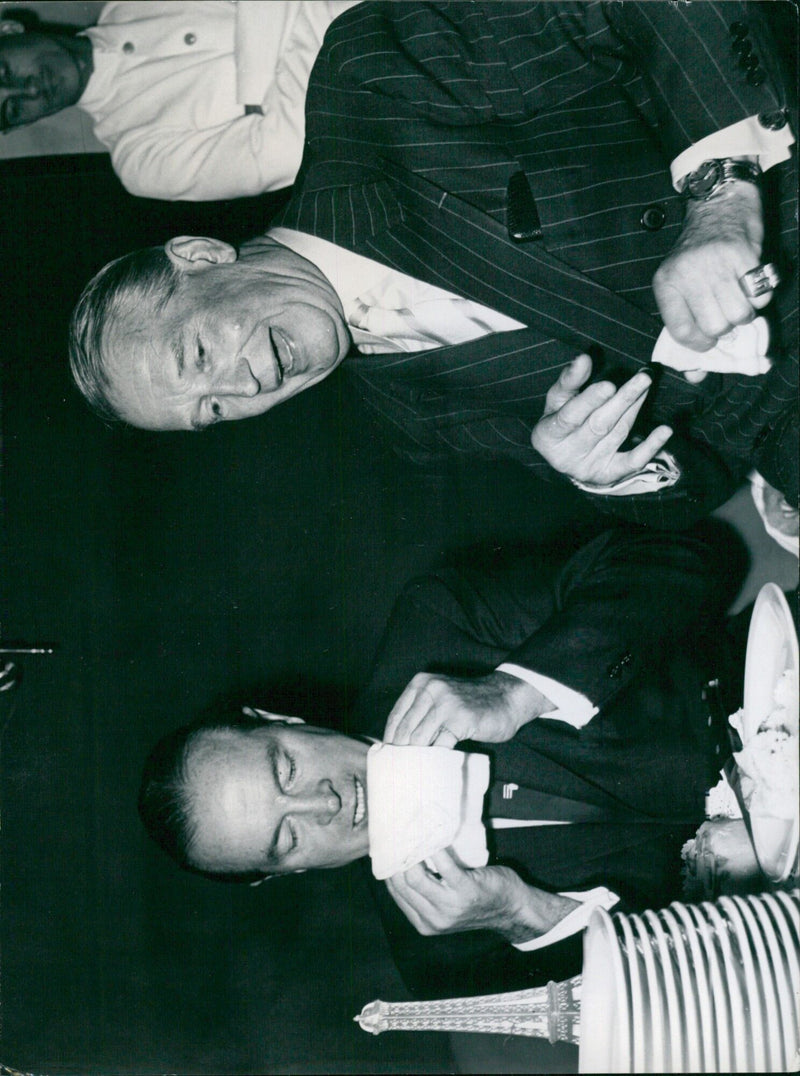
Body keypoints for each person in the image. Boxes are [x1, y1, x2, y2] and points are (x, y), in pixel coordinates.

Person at [69, 1, 798, 527]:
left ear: (200, 255)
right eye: (215, 411)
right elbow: (702, 482)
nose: (246, 384)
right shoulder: (413, 421)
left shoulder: (371, 87)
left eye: (199, 353)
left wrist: (720, 195)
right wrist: (611, 473)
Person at [139, 522, 748, 997]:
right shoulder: (439, 960)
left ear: (282, 722)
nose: (324, 802)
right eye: (288, 835)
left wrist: (521, 689)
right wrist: (524, 914)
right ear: (287, 873)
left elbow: (689, 556)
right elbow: (689, 995)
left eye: (285, 769)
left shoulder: (437, 624)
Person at [0, 1, 357, 200]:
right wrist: (303, 13)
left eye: (5, 72)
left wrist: (256, 90)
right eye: (12, 108)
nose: (29, 90)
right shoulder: (140, 160)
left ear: (10, 30)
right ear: (21, 124)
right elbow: (294, 149)